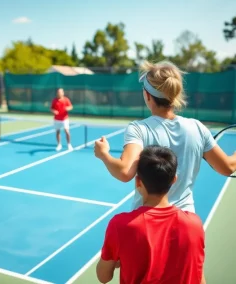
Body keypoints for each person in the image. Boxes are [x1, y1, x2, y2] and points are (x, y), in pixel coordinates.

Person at [95, 60, 236, 212]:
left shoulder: (138, 129)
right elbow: (228, 167)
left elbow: (124, 172)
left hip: (148, 224)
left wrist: (104, 154)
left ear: (147, 95)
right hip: (185, 223)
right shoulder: (197, 127)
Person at [96, 145, 205, 284]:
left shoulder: (120, 225)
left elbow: (103, 277)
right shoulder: (194, 224)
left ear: (138, 182)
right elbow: (198, 274)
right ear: (174, 180)